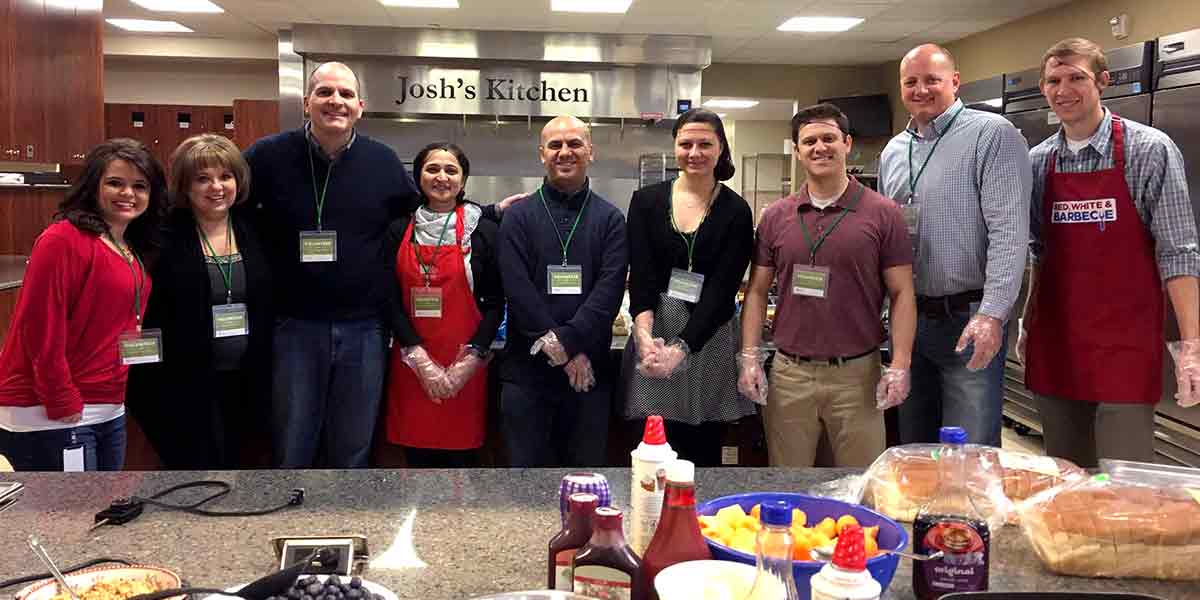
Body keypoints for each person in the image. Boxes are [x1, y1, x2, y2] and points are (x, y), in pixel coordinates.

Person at [1018, 38, 1200, 467]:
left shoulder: (1148, 150)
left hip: (1125, 345)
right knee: (1065, 477)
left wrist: (1192, 345)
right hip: (1057, 341)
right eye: (1053, 80)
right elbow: (1037, 254)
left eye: (1076, 78)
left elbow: (1179, 252)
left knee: (1124, 481)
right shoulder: (1037, 162)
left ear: (1103, 81)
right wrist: (1027, 320)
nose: (1063, 90)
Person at [244, 61, 420, 468]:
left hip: (364, 326)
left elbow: (426, 214)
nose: (334, 101)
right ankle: (291, 523)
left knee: (354, 442)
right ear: (307, 103)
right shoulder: (266, 156)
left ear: (360, 106)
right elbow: (218, 198)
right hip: (294, 326)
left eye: (344, 94)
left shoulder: (382, 161)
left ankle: (344, 521)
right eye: (325, 92)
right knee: (293, 440)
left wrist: (492, 212)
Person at [739, 104, 916, 467]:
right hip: (790, 376)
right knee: (788, 484)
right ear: (798, 150)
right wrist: (750, 358)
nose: (820, 147)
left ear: (847, 143)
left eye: (829, 138)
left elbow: (902, 293)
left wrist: (899, 365)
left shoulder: (883, 213)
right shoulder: (776, 217)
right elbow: (756, 291)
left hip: (857, 377)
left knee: (858, 484)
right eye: (809, 141)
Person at [878, 43, 1032, 446]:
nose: (921, 89)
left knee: (969, 452)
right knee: (913, 448)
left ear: (955, 82)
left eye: (932, 80)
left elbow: (1009, 232)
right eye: (911, 82)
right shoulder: (895, 150)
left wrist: (993, 314)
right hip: (909, 321)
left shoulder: (991, 135)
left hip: (968, 317)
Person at [0, 139, 167, 471]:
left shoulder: (128, 244)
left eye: (139, 186)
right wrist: (60, 396)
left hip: (108, 405)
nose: (128, 194)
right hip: (49, 410)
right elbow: (41, 329)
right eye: (115, 183)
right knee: (63, 519)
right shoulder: (64, 240)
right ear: (93, 186)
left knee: (98, 511)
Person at [126, 134, 273, 469]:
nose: (216, 187)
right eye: (202, 179)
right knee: (194, 472)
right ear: (185, 185)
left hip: (247, 380)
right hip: (182, 383)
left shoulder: (255, 230)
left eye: (225, 176)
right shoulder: (159, 235)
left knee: (240, 469)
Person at [622, 108, 755, 467]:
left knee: (702, 445)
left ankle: (699, 520)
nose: (694, 153)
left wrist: (682, 350)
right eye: (686, 144)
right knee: (652, 448)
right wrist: (645, 337)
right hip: (658, 329)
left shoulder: (736, 210)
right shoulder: (646, 201)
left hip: (709, 336)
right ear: (675, 147)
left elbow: (722, 290)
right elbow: (644, 276)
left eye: (704, 144)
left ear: (721, 149)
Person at [498, 115, 629, 467]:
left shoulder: (611, 219)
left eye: (574, 144)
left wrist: (568, 344)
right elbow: (517, 290)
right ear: (542, 154)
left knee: (584, 485)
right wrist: (567, 350)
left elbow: (608, 293)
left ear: (591, 151)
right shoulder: (518, 217)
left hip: (588, 377)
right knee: (524, 486)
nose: (564, 152)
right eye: (555, 145)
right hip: (527, 375)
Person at [384, 142, 504, 468]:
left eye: (451, 170)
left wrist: (471, 359)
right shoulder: (398, 230)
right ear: (418, 177)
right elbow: (388, 298)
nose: (442, 177)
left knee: (462, 462)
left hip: (465, 365)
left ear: (463, 181)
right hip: (412, 365)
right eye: (432, 169)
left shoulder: (483, 232)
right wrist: (419, 358)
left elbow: (496, 302)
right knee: (416, 462)